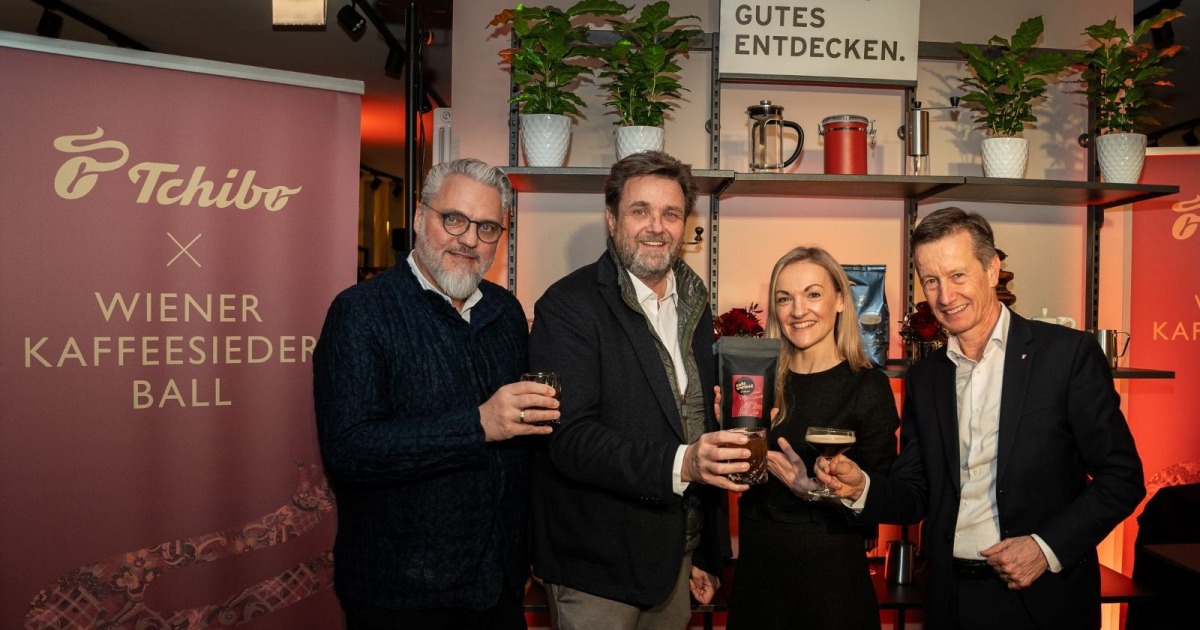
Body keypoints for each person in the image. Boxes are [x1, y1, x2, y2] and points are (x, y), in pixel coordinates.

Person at [817, 207, 1145, 630]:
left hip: (1042, 601)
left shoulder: (1066, 356)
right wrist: (862, 487)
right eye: (931, 281)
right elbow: (917, 492)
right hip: (950, 600)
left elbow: (1122, 477)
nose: (945, 296)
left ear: (992, 270)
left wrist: (1044, 548)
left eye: (958, 275)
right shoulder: (926, 377)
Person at [313, 158, 559, 630]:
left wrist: (527, 550)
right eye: (454, 219)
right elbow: (349, 450)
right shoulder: (360, 312)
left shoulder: (506, 312)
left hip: (497, 586)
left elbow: (522, 458)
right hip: (401, 595)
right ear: (420, 216)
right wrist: (477, 426)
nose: (469, 239)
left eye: (487, 227)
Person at [528, 151, 747, 629]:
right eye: (640, 211)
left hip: (676, 562)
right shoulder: (567, 306)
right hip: (597, 567)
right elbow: (570, 439)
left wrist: (704, 551)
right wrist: (682, 464)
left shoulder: (694, 305)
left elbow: (697, 423)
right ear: (612, 219)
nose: (656, 227)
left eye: (671, 214)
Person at [726, 246, 899, 630]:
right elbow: (738, 478)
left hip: (833, 585)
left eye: (813, 294)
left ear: (840, 300)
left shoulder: (867, 386)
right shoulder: (758, 381)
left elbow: (884, 497)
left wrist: (815, 491)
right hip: (759, 581)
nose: (798, 310)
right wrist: (724, 430)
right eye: (784, 298)